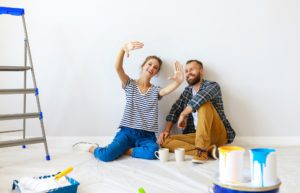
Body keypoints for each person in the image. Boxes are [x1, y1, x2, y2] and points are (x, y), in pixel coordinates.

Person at [73, 41, 184, 162]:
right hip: (127, 132)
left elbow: (167, 90)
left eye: (155, 67)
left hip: (147, 135)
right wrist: (122, 49)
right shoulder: (130, 84)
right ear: (143, 66)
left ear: (156, 72)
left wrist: (178, 81)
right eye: (150, 64)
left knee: (152, 153)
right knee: (106, 156)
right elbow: (118, 68)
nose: (152, 68)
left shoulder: (155, 90)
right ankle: (92, 148)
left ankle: (124, 150)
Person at [158, 59, 235, 163]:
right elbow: (175, 110)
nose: (188, 73)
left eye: (192, 69)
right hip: (198, 136)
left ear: (201, 71)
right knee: (164, 141)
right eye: (186, 71)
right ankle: (206, 150)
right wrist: (166, 131)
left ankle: (202, 150)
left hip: (217, 134)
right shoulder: (187, 92)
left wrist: (184, 113)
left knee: (204, 104)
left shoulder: (212, 86)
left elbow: (201, 97)